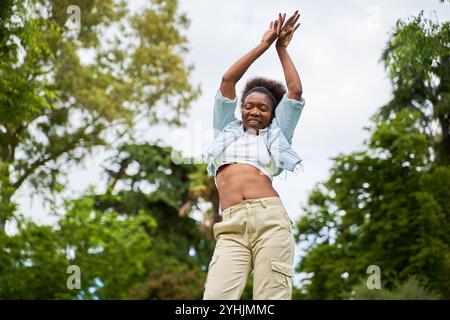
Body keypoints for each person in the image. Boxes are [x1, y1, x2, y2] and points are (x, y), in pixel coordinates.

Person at [202, 10, 304, 300]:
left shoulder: (276, 135)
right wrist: (264, 44)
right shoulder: (225, 129)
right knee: (216, 298)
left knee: (270, 298)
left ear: (272, 115)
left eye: (263, 108)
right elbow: (226, 80)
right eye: (249, 106)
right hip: (231, 224)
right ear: (241, 108)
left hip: (269, 218)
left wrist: (282, 49)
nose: (255, 111)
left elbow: (295, 92)